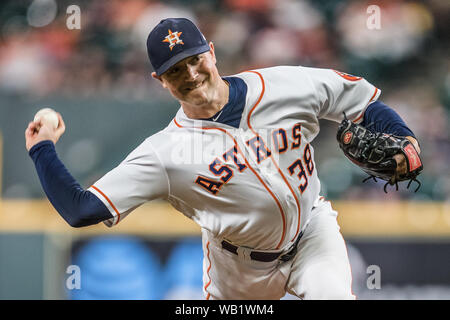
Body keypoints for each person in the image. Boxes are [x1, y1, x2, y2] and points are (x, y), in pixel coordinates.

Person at [25, 18, 420, 299]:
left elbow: (361, 101)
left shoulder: (285, 84)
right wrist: (42, 149)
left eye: (196, 58)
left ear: (211, 52)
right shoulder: (165, 152)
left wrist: (405, 141)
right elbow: (81, 210)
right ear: (159, 81)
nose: (191, 73)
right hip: (238, 270)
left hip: (312, 233)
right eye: (175, 70)